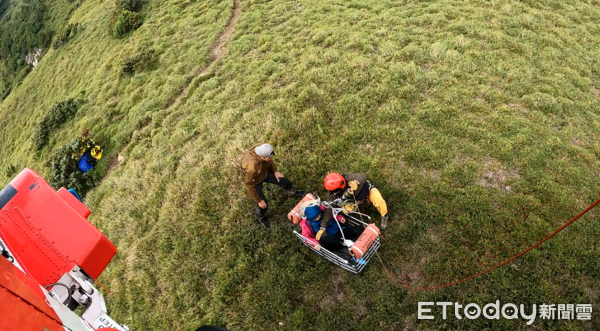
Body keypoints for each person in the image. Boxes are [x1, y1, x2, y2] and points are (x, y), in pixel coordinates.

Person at [241, 143, 305, 229]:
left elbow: (269, 162)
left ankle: (293, 193)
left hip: (264, 173)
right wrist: (259, 200)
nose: (271, 158)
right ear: (262, 157)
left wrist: (274, 172)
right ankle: (260, 216)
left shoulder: (262, 149)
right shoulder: (252, 168)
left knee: (284, 182)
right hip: (255, 181)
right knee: (263, 205)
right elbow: (249, 185)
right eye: (269, 157)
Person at [323, 172, 389, 230]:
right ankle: (357, 205)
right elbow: (328, 210)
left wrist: (356, 182)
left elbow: (363, 176)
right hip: (354, 200)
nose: (333, 193)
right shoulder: (332, 195)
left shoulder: (348, 178)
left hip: (366, 191)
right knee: (346, 210)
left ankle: (384, 216)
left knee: (379, 201)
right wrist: (323, 227)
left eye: (335, 191)